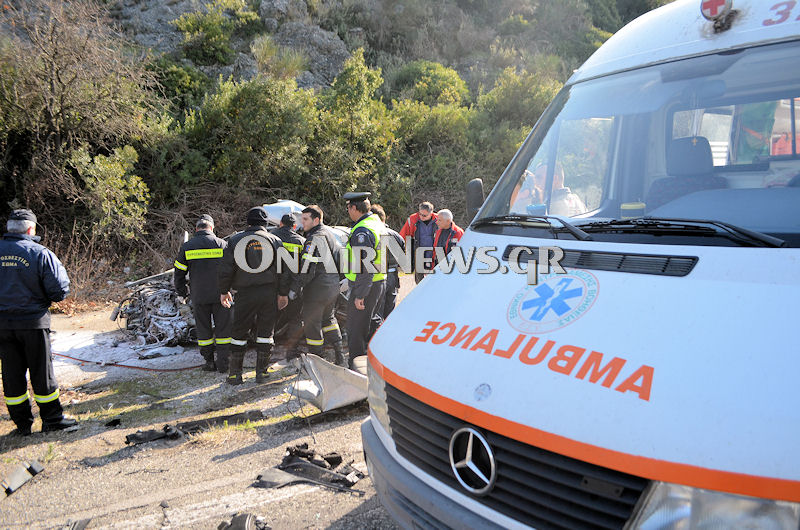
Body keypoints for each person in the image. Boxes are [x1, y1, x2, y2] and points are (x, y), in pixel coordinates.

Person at [0, 209, 77, 435]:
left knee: (11, 376)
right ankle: (52, 420)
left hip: (2, 326)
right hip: (33, 323)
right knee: (42, 373)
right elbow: (59, 290)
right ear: (31, 229)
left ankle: (22, 425)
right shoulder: (40, 253)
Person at [218, 207, 289, 385]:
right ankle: (262, 374)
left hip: (245, 294)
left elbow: (226, 269)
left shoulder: (234, 240)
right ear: (265, 224)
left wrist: (224, 291)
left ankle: (235, 375)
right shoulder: (275, 241)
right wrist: (282, 294)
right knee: (266, 333)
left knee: (239, 333)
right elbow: (285, 271)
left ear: (248, 222)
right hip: (268, 293)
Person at [174, 214, 231, 373]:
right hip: (221, 295)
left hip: (199, 296)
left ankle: (209, 362)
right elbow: (231, 270)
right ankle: (223, 363)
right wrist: (230, 290)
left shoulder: (187, 246)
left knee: (204, 330)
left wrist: (182, 292)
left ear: (197, 228)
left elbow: (178, 273)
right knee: (223, 330)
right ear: (212, 228)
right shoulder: (222, 244)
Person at [294, 205, 346, 365]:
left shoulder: (313, 238)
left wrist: (296, 288)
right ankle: (340, 354)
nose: (302, 223)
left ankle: (318, 361)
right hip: (332, 287)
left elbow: (307, 268)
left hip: (317, 289)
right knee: (329, 319)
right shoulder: (330, 234)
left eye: (305, 219)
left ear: (316, 220)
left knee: (312, 324)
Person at [343, 192, 385, 367]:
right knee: (371, 323)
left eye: (348, 208)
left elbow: (365, 264)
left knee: (356, 329)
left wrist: (360, 294)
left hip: (366, 285)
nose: (347, 211)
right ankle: (375, 361)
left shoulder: (362, 230)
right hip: (377, 282)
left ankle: (356, 368)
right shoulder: (376, 222)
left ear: (354, 208)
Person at [270, 214, 306, 354]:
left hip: (272, 286)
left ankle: (267, 349)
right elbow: (304, 269)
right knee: (295, 318)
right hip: (293, 287)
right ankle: (292, 350)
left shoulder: (271, 238)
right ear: (295, 227)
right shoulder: (301, 241)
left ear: (280, 223)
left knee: (269, 317)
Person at [369, 204, 404, 320]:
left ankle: (376, 336)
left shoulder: (372, 234)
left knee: (377, 311)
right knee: (390, 310)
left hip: (378, 276)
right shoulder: (396, 235)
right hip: (393, 277)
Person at [399, 201, 437, 283]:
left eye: (424, 215)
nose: (421, 217)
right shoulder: (412, 219)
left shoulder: (439, 219)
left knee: (435, 280)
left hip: (435, 255)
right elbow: (402, 236)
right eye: (420, 214)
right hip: (418, 255)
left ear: (431, 213)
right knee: (419, 281)